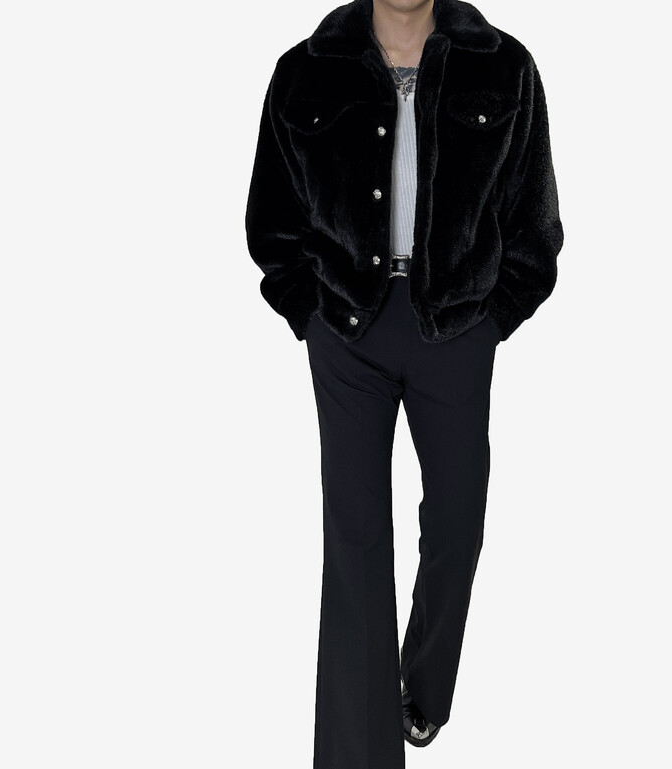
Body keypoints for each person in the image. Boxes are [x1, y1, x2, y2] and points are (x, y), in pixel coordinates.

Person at [244, 0, 563, 766]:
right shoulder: (303, 71)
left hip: (455, 327)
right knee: (355, 536)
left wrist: (493, 318)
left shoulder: (505, 67)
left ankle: (420, 686)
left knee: (458, 519)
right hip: (347, 327)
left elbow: (536, 222)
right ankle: (360, 751)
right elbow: (271, 219)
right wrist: (309, 312)